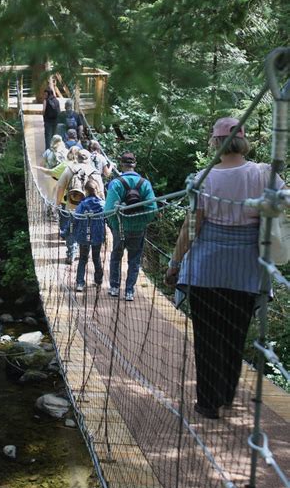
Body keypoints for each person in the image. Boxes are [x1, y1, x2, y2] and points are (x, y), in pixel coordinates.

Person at [165, 117, 286, 420]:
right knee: (234, 335)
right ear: (243, 141)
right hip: (246, 271)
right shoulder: (263, 174)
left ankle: (208, 403)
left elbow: (192, 227)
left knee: (207, 338)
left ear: (216, 142)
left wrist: (175, 263)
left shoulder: (204, 178)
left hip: (206, 270)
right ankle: (227, 394)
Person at [104, 152, 157, 301]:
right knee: (134, 259)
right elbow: (153, 209)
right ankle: (129, 291)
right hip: (138, 229)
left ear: (121, 164)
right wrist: (141, 221)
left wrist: (115, 224)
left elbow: (108, 210)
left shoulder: (116, 183)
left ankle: (114, 288)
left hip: (120, 228)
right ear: (135, 164)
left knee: (116, 256)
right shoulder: (145, 183)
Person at [56, 149, 104, 264]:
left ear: (76, 158)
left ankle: (71, 253)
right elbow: (101, 192)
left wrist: (57, 203)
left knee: (72, 229)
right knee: (88, 229)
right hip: (91, 209)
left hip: (72, 206)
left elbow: (60, 187)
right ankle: (85, 253)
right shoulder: (95, 172)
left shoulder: (69, 170)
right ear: (89, 159)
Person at [73, 179, 105, 291]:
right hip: (98, 234)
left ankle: (80, 284)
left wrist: (68, 231)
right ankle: (98, 281)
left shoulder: (82, 204)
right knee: (96, 257)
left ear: (86, 191)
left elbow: (75, 218)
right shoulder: (102, 204)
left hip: (84, 235)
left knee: (83, 258)